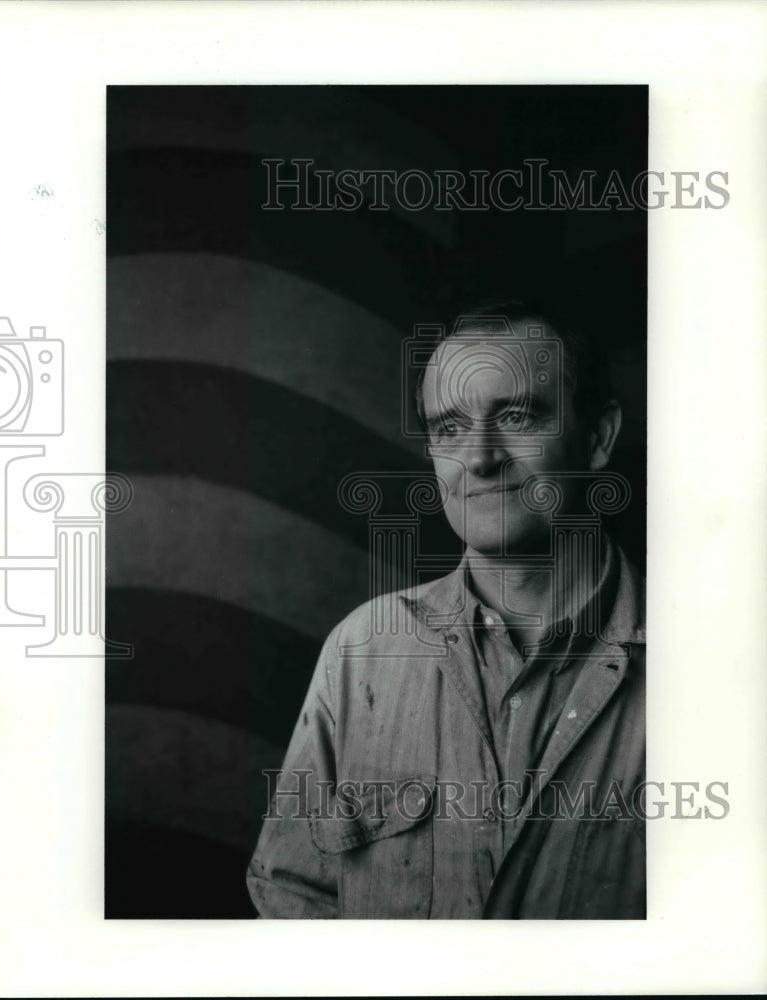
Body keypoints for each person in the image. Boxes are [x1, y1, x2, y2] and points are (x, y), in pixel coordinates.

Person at [247, 300, 646, 919]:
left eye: (516, 416)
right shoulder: (361, 654)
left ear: (597, 437)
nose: (481, 458)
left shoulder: (716, 670)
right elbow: (290, 895)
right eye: (450, 428)